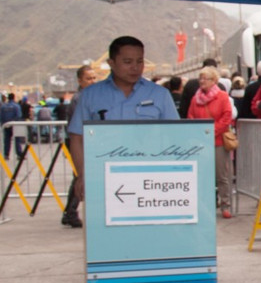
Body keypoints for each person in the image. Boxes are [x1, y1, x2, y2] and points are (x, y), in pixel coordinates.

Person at [66, 38, 181, 228]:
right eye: (128, 62)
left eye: (140, 61)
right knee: (106, 237)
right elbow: (77, 138)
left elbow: (175, 136)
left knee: (150, 236)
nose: (135, 67)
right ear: (111, 63)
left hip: (150, 184)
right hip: (104, 180)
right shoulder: (90, 96)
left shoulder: (159, 95)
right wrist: (82, 174)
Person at [187, 65, 236, 219]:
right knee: (204, 175)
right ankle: (207, 204)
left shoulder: (222, 97)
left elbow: (226, 117)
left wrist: (211, 131)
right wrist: (200, 133)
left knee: (222, 175)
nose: (202, 81)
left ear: (214, 80)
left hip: (219, 141)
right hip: (201, 142)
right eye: (200, 78)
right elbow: (191, 116)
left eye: (205, 78)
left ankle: (225, 205)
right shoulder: (195, 99)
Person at [61, 64, 98, 228]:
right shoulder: (80, 99)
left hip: (89, 142)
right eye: (88, 79)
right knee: (81, 176)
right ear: (80, 81)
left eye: (94, 78)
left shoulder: (91, 97)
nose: (92, 81)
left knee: (81, 176)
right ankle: (70, 212)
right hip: (81, 143)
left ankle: (70, 211)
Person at [0, 92, 21, 158]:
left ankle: (6, 154)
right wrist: (13, 121)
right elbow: (18, 115)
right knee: (17, 140)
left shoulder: (3, 106)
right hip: (15, 125)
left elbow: (0, 116)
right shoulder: (16, 106)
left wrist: (3, 124)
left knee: (7, 141)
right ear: (14, 97)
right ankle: (19, 154)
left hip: (6, 125)